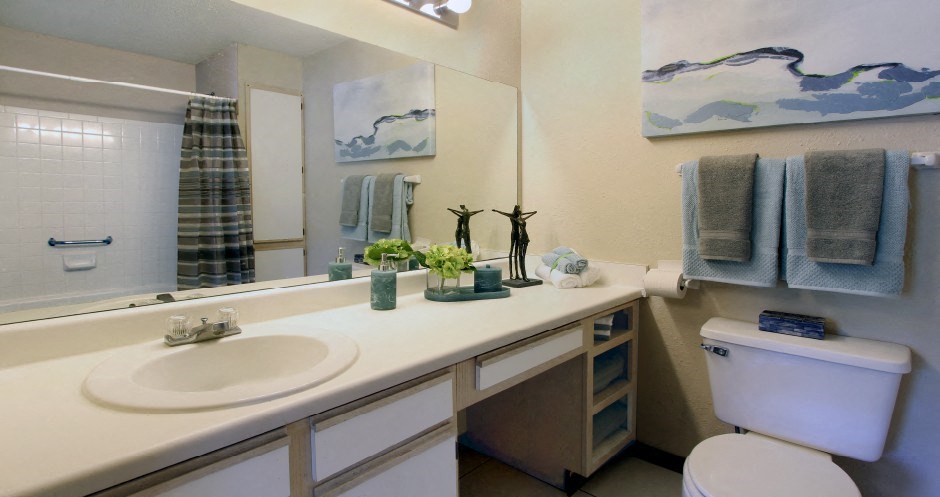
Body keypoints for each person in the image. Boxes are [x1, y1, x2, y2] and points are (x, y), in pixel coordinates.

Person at [492, 205, 537, 281]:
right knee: (512, 252)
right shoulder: (513, 216)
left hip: (520, 235)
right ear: (515, 209)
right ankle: (511, 274)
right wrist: (497, 211)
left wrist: (533, 213)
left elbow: (525, 216)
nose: (519, 210)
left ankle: (517, 274)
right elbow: (504, 213)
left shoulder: (519, 217)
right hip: (514, 234)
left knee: (517, 254)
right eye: (518, 209)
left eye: (519, 209)